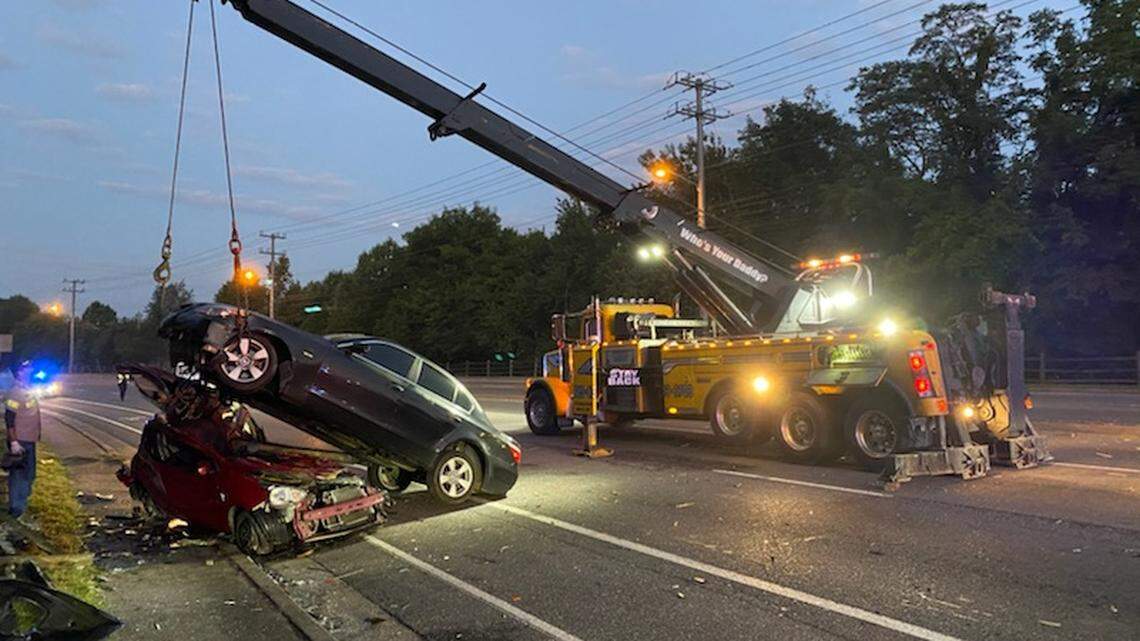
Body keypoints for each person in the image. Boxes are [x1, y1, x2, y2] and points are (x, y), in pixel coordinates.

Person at [5, 360, 41, 524]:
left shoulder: (27, 389)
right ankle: (17, 511)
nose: (30, 371)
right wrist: (13, 442)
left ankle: (21, 507)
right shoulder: (15, 393)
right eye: (26, 369)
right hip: (20, 442)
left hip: (29, 440)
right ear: (19, 372)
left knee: (29, 476)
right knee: (20, 477)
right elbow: (9, 418)